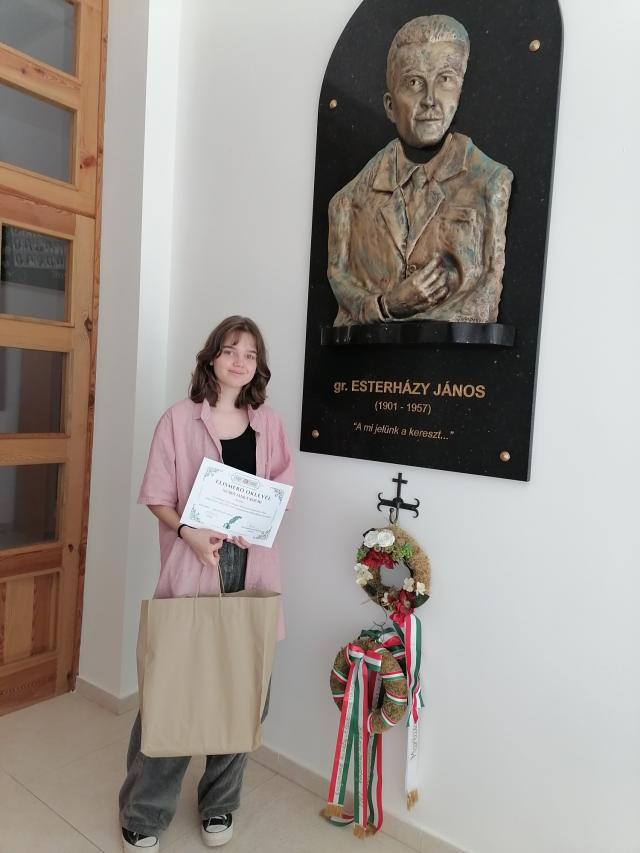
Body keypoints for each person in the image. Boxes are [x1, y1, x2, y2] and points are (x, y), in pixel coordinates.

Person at [118, 316, 294, 851]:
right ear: (211, 357)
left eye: (250, 354)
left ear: (258, 366)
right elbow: (156, 495)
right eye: (230, 350)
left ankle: (219, 805)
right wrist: (189, 534)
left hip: (251, 569)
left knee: (243, 692)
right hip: (195, 564)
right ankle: (144, 811)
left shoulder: (269, 426)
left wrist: (255, 523)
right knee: (173, 691)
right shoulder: (177, 420)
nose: (240, 361)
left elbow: (280, 492)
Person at [327, 15, 513, 326]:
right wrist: (386, 306)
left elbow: (485, 296)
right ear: (390, 105)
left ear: (460, 92)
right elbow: (340, 278)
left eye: (445, 79)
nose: (430, 100)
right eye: (414, 82)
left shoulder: (490, 183)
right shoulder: (348, 203)